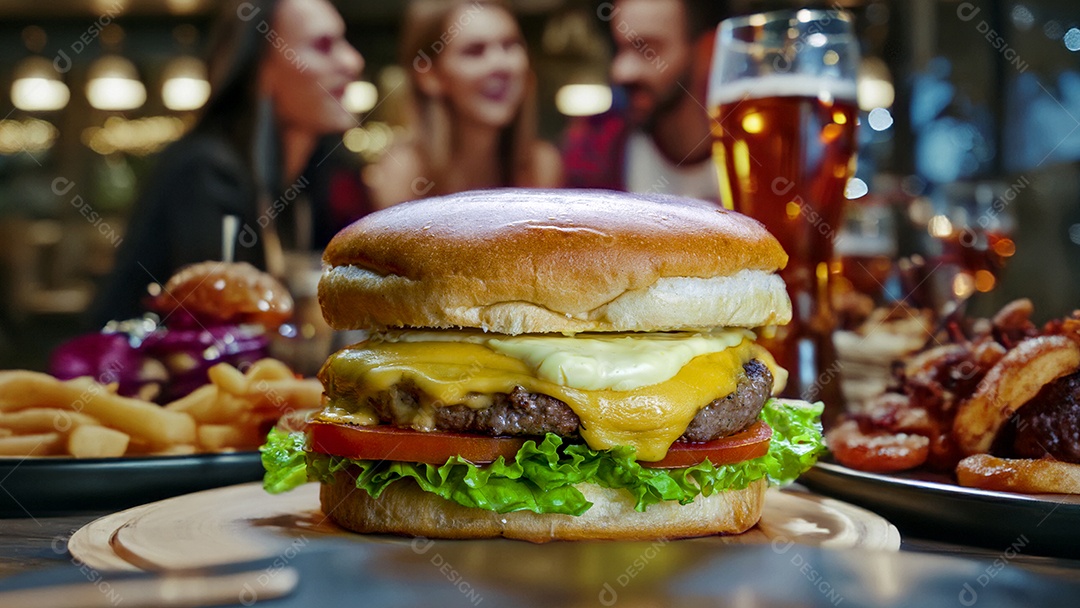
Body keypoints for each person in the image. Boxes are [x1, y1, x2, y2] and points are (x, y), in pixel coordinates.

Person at [89, 0, 364, 326]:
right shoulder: (205, 172)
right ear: (261, 70)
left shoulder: (310, 179)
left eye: (345, 42)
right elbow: (217, 327)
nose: (353, 61)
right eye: (323, 46)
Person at [365, 0, 561, 208]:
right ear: (429, 75)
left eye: (510, 45)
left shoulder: (542, 165)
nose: (501, 65)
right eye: (474, 51)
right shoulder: (403, 173)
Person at [562, 0, 726, 201]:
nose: (622, 71)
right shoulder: (594, 148)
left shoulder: (753, 147)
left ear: (707, 50)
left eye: (647, 48)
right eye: (620, 48)